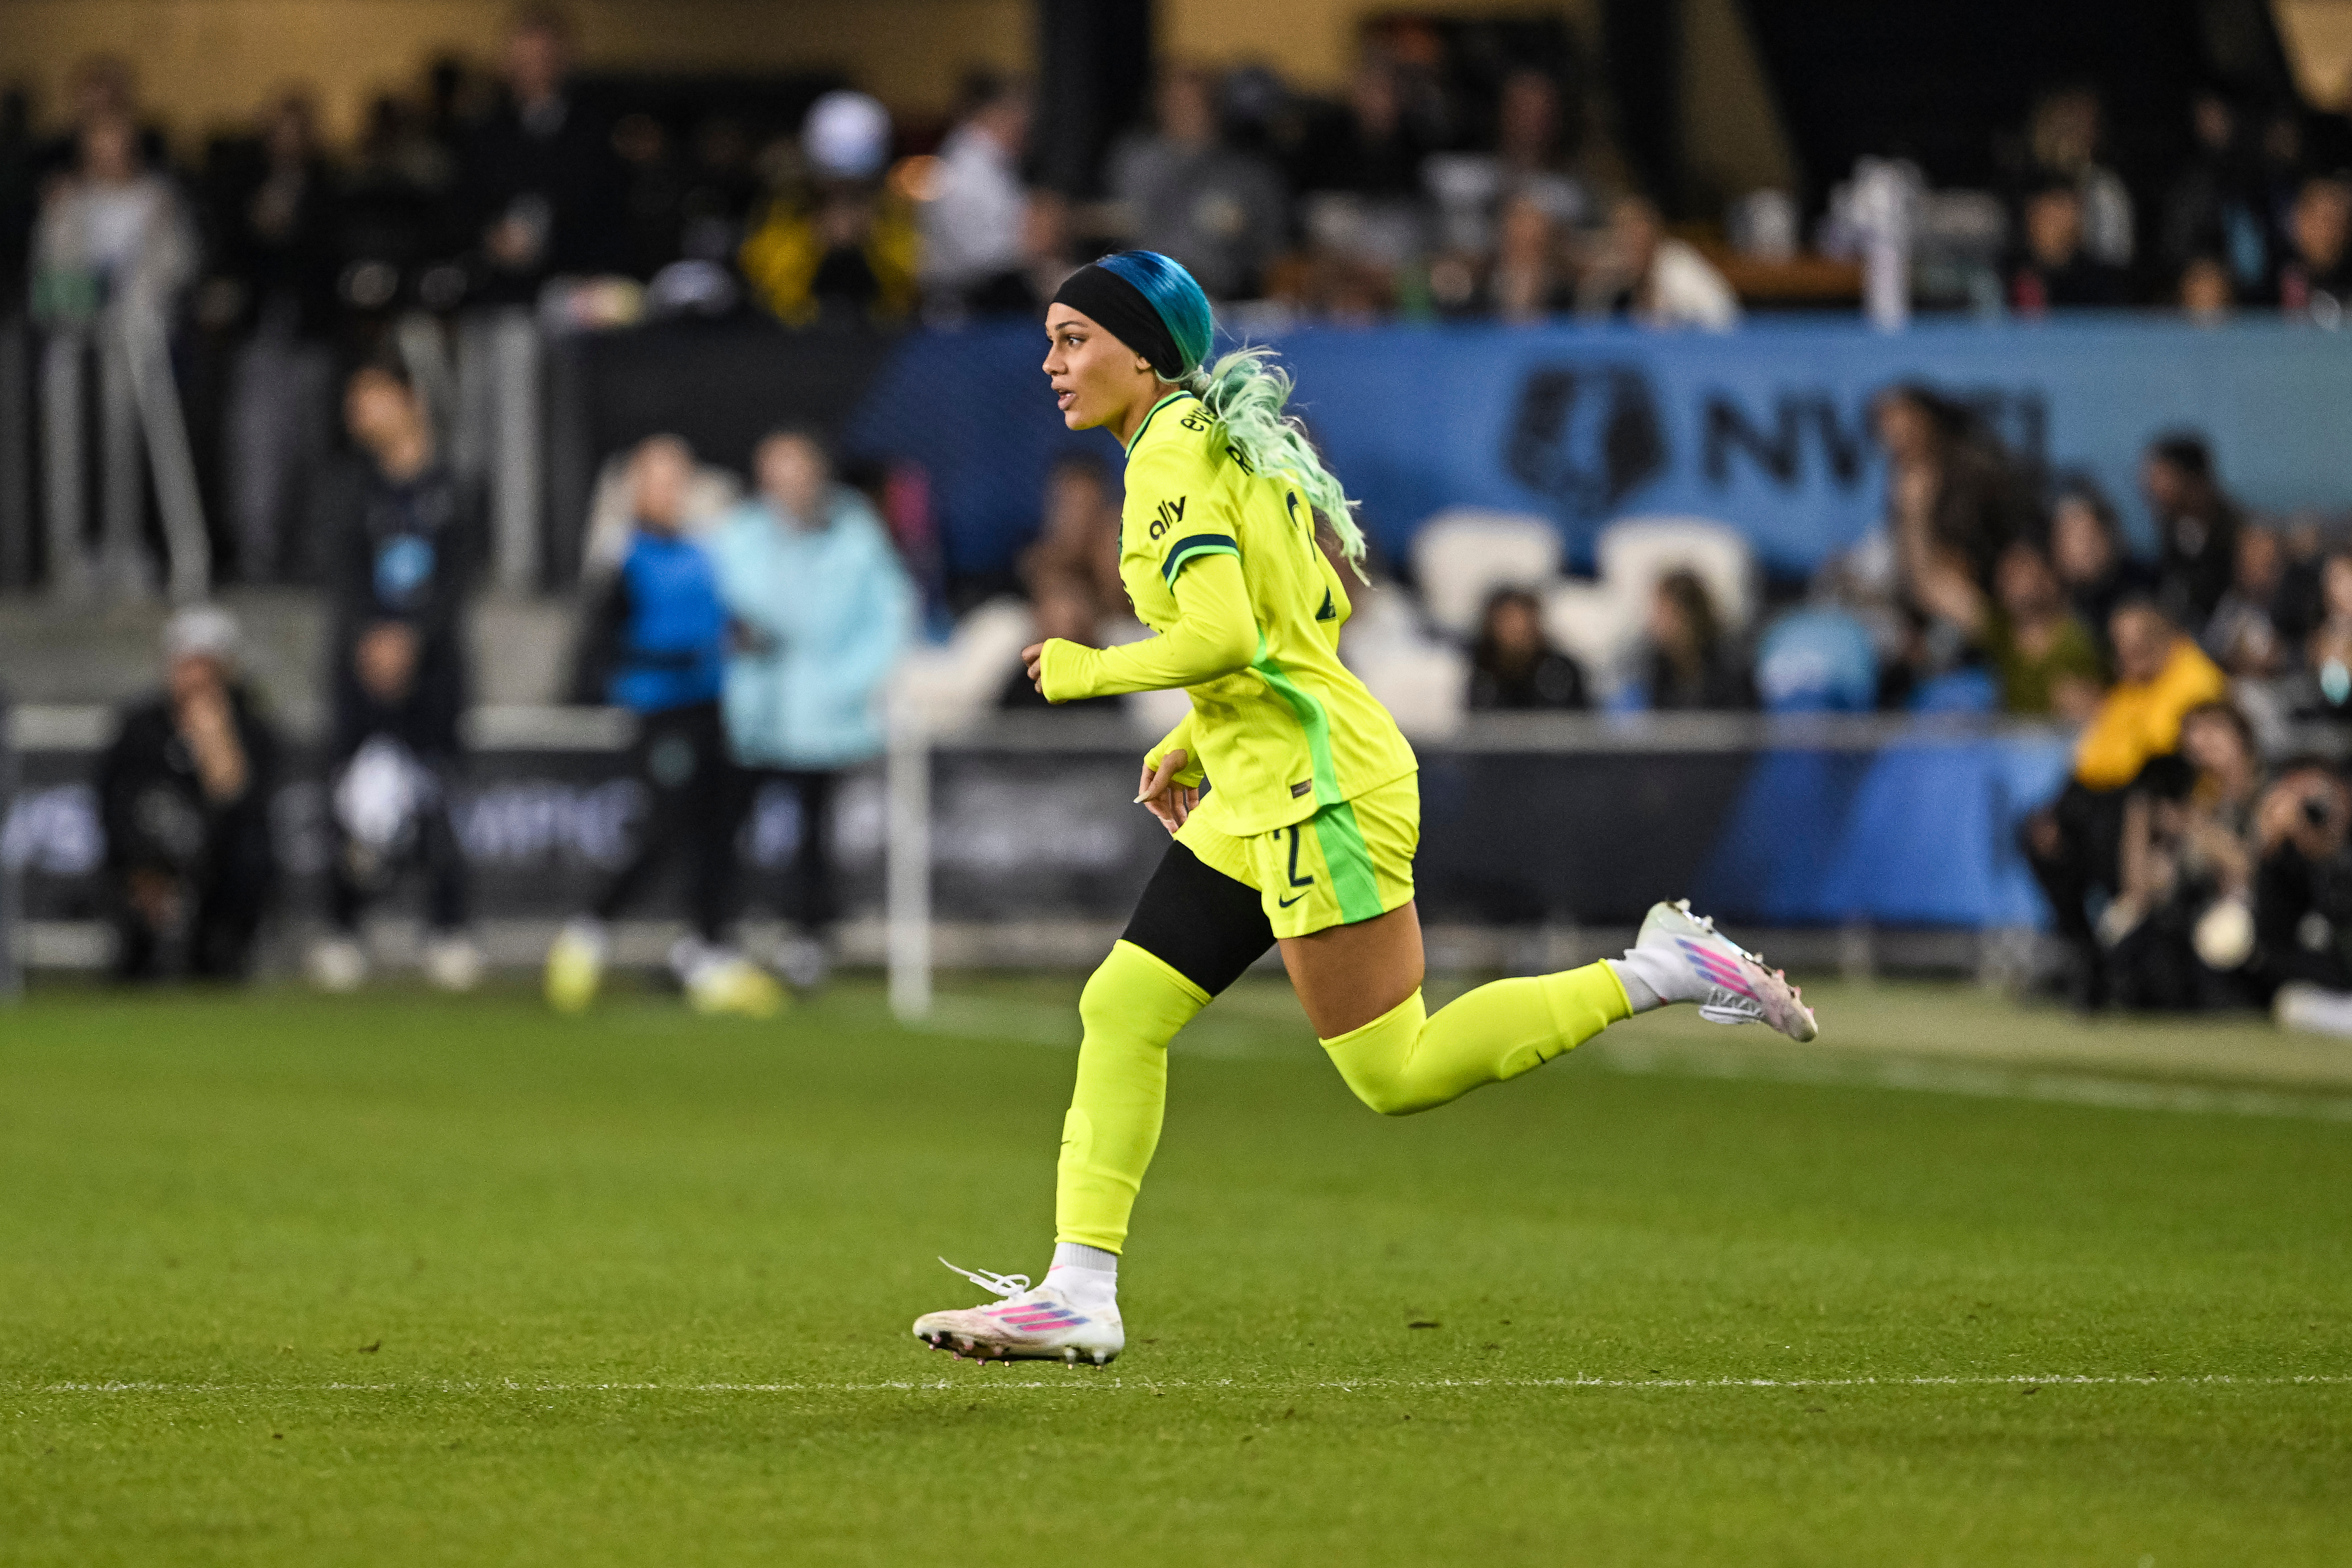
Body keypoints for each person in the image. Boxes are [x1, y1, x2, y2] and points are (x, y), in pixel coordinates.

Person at [909, 250, 1816, 1367]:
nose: (1051, 363)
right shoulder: (1219, 441)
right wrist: (1197, 735)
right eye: (1050, 340)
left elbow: (1226, 636)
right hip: (1266, 781)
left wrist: (1086, 667)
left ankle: (1661, 968)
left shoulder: (1172, 457)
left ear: (1142, 355)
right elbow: (1308, 619)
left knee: (1395, 1070)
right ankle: (1078, 1292)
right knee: (1123, 1007)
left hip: (1318, 790)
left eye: (1073, 339)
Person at [546, 438, 783, 1018]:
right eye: (658, 480)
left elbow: (719, 620)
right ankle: (588, 931)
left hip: (711, 707)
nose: (670, 492)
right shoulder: (623, 557)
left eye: (678, 480)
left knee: (718, 830)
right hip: (658, 713)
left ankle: (708, 950)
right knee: (664, 827)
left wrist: (743, 637)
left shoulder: (705, 553)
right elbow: (598, 650)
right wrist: (671, 659)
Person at [711, 428, 915, 988]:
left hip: (825, 720)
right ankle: (715, 935)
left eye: (795, 472)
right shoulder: (741, 533)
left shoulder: (854, 532)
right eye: (775, 474)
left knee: (814, 835)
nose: (786, 486)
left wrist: (848, 684)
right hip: (754, 714)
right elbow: (722, 606)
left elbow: (889, 613)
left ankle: (809, 938)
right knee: (726, 827)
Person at [308, 359, 484, 992]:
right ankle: (344, 929)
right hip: (360, 667)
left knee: (440, 795)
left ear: (409, 401)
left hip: (433, 670)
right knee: (350, 800)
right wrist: (372, 638)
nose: (358, 415)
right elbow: (339, 573)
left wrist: (413, 638)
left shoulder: (456, 488)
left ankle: (447, 930)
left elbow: (460, 578)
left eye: (372, 398)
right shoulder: (347, 488)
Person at [2022, 598, 2229, 1007]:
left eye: (2136, 644)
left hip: (2172, 805)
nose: (2124, 656)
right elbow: (2094, 760)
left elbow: (2161, 764)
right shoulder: (2132, 687)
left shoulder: (2194, 679)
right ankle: (2085, 959)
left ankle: (2123, 968)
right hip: (2117, 803)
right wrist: (2056, 813)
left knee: (2111, 829)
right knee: (2042, 834)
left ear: (2165, 639)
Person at [95, 607, 281, 981]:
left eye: (206, 666)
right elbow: (114, 801)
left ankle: (218, 957)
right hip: (147, 859)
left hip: (217, 866)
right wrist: (142, 865)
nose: (195, 677)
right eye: (186, 664)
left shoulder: (252, 729)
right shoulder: (140, 726)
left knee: (247, 866)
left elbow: (245, 810)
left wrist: (216, 743)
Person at [456, 8, 622, 304]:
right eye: (525, 62)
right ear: (506, 65)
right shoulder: (484, 134)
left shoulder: (598, 132)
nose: (534, 72)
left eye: (544, 61)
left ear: (565, 62)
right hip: (498, 291)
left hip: (579, 287)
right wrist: (489, 238)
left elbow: (608, 212)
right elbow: (463, 208)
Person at [1108, 68, 1286, 302]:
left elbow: (1276, 254)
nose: (1185, 112)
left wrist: (1243, 231)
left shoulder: (1248, 175)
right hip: (1145, 293)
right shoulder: (1135, 162)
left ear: (1216, 108)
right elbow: (1114, 223)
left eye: (1195, 104)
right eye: (1175, 103)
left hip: (1221, 299)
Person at [918, 72, 1031, 314]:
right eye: (1019, 113)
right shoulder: (964, 168)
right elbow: (976, 257)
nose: (1026, 125)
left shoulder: (993, 163)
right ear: (994, 112)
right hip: (964, 311)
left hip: (989, 297)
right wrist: (1030, 246)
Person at [1575, 195, 1739, 331]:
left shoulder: (1679, 266)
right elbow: (1589, 326)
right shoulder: (1610, 274)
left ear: (1653, 233)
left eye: (1636, 231)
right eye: (1622, 231)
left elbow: (1723, 319)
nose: (1630, 240)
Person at [2047, 478, 2156, 669]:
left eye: (2088, 536)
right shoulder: (2058, 607)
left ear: (2110, 534)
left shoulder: (2148, 583)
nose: (2083, 549)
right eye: (2070, 539)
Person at [2143, 433, 2242, 635]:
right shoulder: (2171, 529)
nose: (2149, 487)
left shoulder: (2237, 533)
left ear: (2191, 479)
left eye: (2161, 477)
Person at [1017, 453, 1126, 626]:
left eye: (1088, 507)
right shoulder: (1040, 560)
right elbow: (1066, 618)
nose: (1080, 519)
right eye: (1072, 506)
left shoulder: (1121, 547)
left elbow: (1123, 604)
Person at [2008, 181, 2130, 314]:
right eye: (2045, 214)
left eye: (2065, 211)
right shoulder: (2008, 277)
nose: (2055, 223)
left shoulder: (2100, 283)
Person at [1641, 570, 1751, 710]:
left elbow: (1740, 719)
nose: (1656, 623)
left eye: (1666, 614)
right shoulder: (1655, 668)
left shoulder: (1732, 668)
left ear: (1689, 616)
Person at [1467, 586, 1587, 711]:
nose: (1516, 630)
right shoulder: (1474, 671)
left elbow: (1578, 718)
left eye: (1522, 622)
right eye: (1508, 622)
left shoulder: (1561, 671)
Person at [2272, 174, 2352, 325]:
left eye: (2340, 222)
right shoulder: (2268, 279)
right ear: (2300, 220)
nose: (2330, 232)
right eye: (2324, 220)